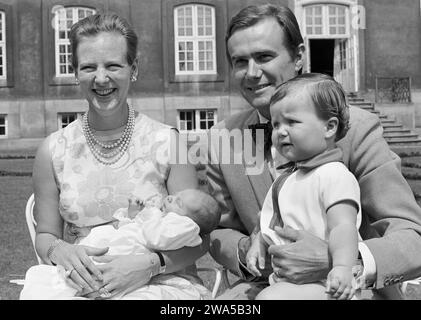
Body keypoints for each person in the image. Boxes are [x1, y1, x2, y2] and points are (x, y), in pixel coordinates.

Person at [206, 4, 421, 300]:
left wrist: (340, 261)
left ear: (298, 57)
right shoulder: (223, 138)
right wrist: (250, 253)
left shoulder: (356, 128)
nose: (252, 73)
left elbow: (412, 236)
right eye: (240, 61)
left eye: (264, 56)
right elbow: (218, 230)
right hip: (262, 286)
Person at [28, 13, 209, 300]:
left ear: (133, 69)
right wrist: (59, 249)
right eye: (88, 67)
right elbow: (46, 234)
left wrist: (150, 265)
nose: (101, 78)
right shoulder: (52, 150)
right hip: (84, 285)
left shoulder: (168, 142)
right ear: (75, 71)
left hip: (159, 283)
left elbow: (199, 236)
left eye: (113, 65)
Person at [247, 73, 362, 300]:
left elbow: (343, 226)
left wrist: (341, 267)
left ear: (329, 127)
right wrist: (258, 243)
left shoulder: (334, 175)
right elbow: (274, 221)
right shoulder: (287, 178)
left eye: (292, 122)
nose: (280, 131)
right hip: (291, 282)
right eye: (276, 123)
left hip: (328, 283)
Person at [20, 189, 221, 300]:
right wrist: (135, 213)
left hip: (149, 270)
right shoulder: (164, 218)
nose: (171, 197)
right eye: (176, 196)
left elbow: (154, 237)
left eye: (179, 202)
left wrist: (150, 214)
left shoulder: (182, 225)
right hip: (107, 251)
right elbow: (134, 227)